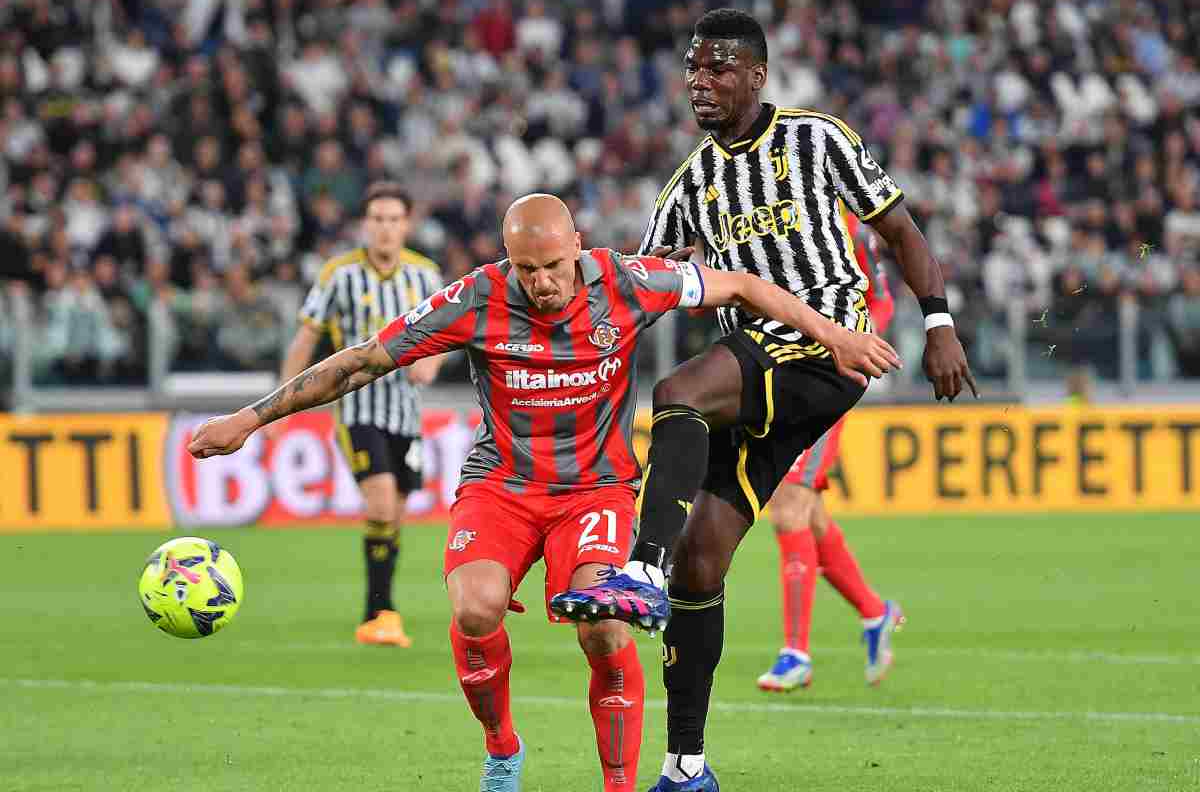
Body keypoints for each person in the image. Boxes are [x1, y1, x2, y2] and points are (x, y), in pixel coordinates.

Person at [188, 193, 900, 792]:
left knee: (605, 625)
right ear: (507, 259)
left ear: (578, 249)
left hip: (595, 489)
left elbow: (744, 285)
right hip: (501, 485)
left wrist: (831, 334)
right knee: (474, 609)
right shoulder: (476, 298)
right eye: (527, 269)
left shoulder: (625, 281)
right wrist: (251, 419)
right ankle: (502, 747)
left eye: (555, 266)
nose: (544, 284)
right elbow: (364, 360)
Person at [550, 9, 976, 792]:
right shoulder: (690, 182)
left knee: (679, 393)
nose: (699, 83)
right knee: (701, 561)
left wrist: (939, 323)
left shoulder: (819, 139)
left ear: (757, 75)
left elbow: (902, 230)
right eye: (692, 70)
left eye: (717, 70)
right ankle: (686, 767)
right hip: (758, 375)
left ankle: (636, 568)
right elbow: (641, 285)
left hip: (827, 345)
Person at [281, 181, 444, 646]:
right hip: (357, 408)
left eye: (394, 219)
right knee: (379, 500)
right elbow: (307, 339)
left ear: (406, 224)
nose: (386, 228)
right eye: (378, 219)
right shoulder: (339, 274)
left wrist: (430, 363)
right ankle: (378, 612)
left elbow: (448, 334)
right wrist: (281, 407)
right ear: (365, 224)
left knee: (393, 512)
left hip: (406, 415)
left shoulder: (425, 275)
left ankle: (382, 606)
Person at [756, 211, 901, 693]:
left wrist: (849, 340)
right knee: (809, 515)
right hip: (774, 373)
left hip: (825, 379)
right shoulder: (757, 214)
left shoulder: (845, 224)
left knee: (788, 505)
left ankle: (795, 652)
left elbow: (881, 302)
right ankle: (874, 612)